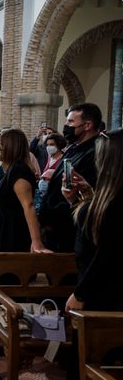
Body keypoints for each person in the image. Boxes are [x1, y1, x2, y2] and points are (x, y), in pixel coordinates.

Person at [63, 128, 123, 313]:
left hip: (103, 296)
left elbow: (106, 255)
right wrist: (87, 194)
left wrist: (80, 294)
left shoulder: (112, 205)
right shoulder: (112, 199)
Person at [38, 103, 101, 252]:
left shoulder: (96, 151)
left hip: (71, 224)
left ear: (88, 125)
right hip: (54, 225)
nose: (66, 126)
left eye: (71, 122)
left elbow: (85, 190)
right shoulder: (73, 148)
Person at [0, 128, 50, 253]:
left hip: (14, 229)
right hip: (3, 225)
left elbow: (28, 206)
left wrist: (36, 241)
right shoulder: (10, 170)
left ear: (10, 147)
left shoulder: (19, 171)